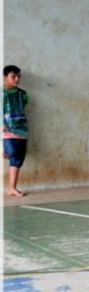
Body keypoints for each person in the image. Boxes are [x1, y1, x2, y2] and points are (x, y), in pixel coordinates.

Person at [3, 65, 29, 197]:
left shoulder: (22, 94)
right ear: (5, 77)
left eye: (19, 76)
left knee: (18, 158)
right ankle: (12, 188)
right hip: (6, 129)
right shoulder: (1, 94)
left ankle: (12, 188)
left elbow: (22, 108)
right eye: (13, 76)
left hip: (22, 129)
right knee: (12, 153)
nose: (17, 79)